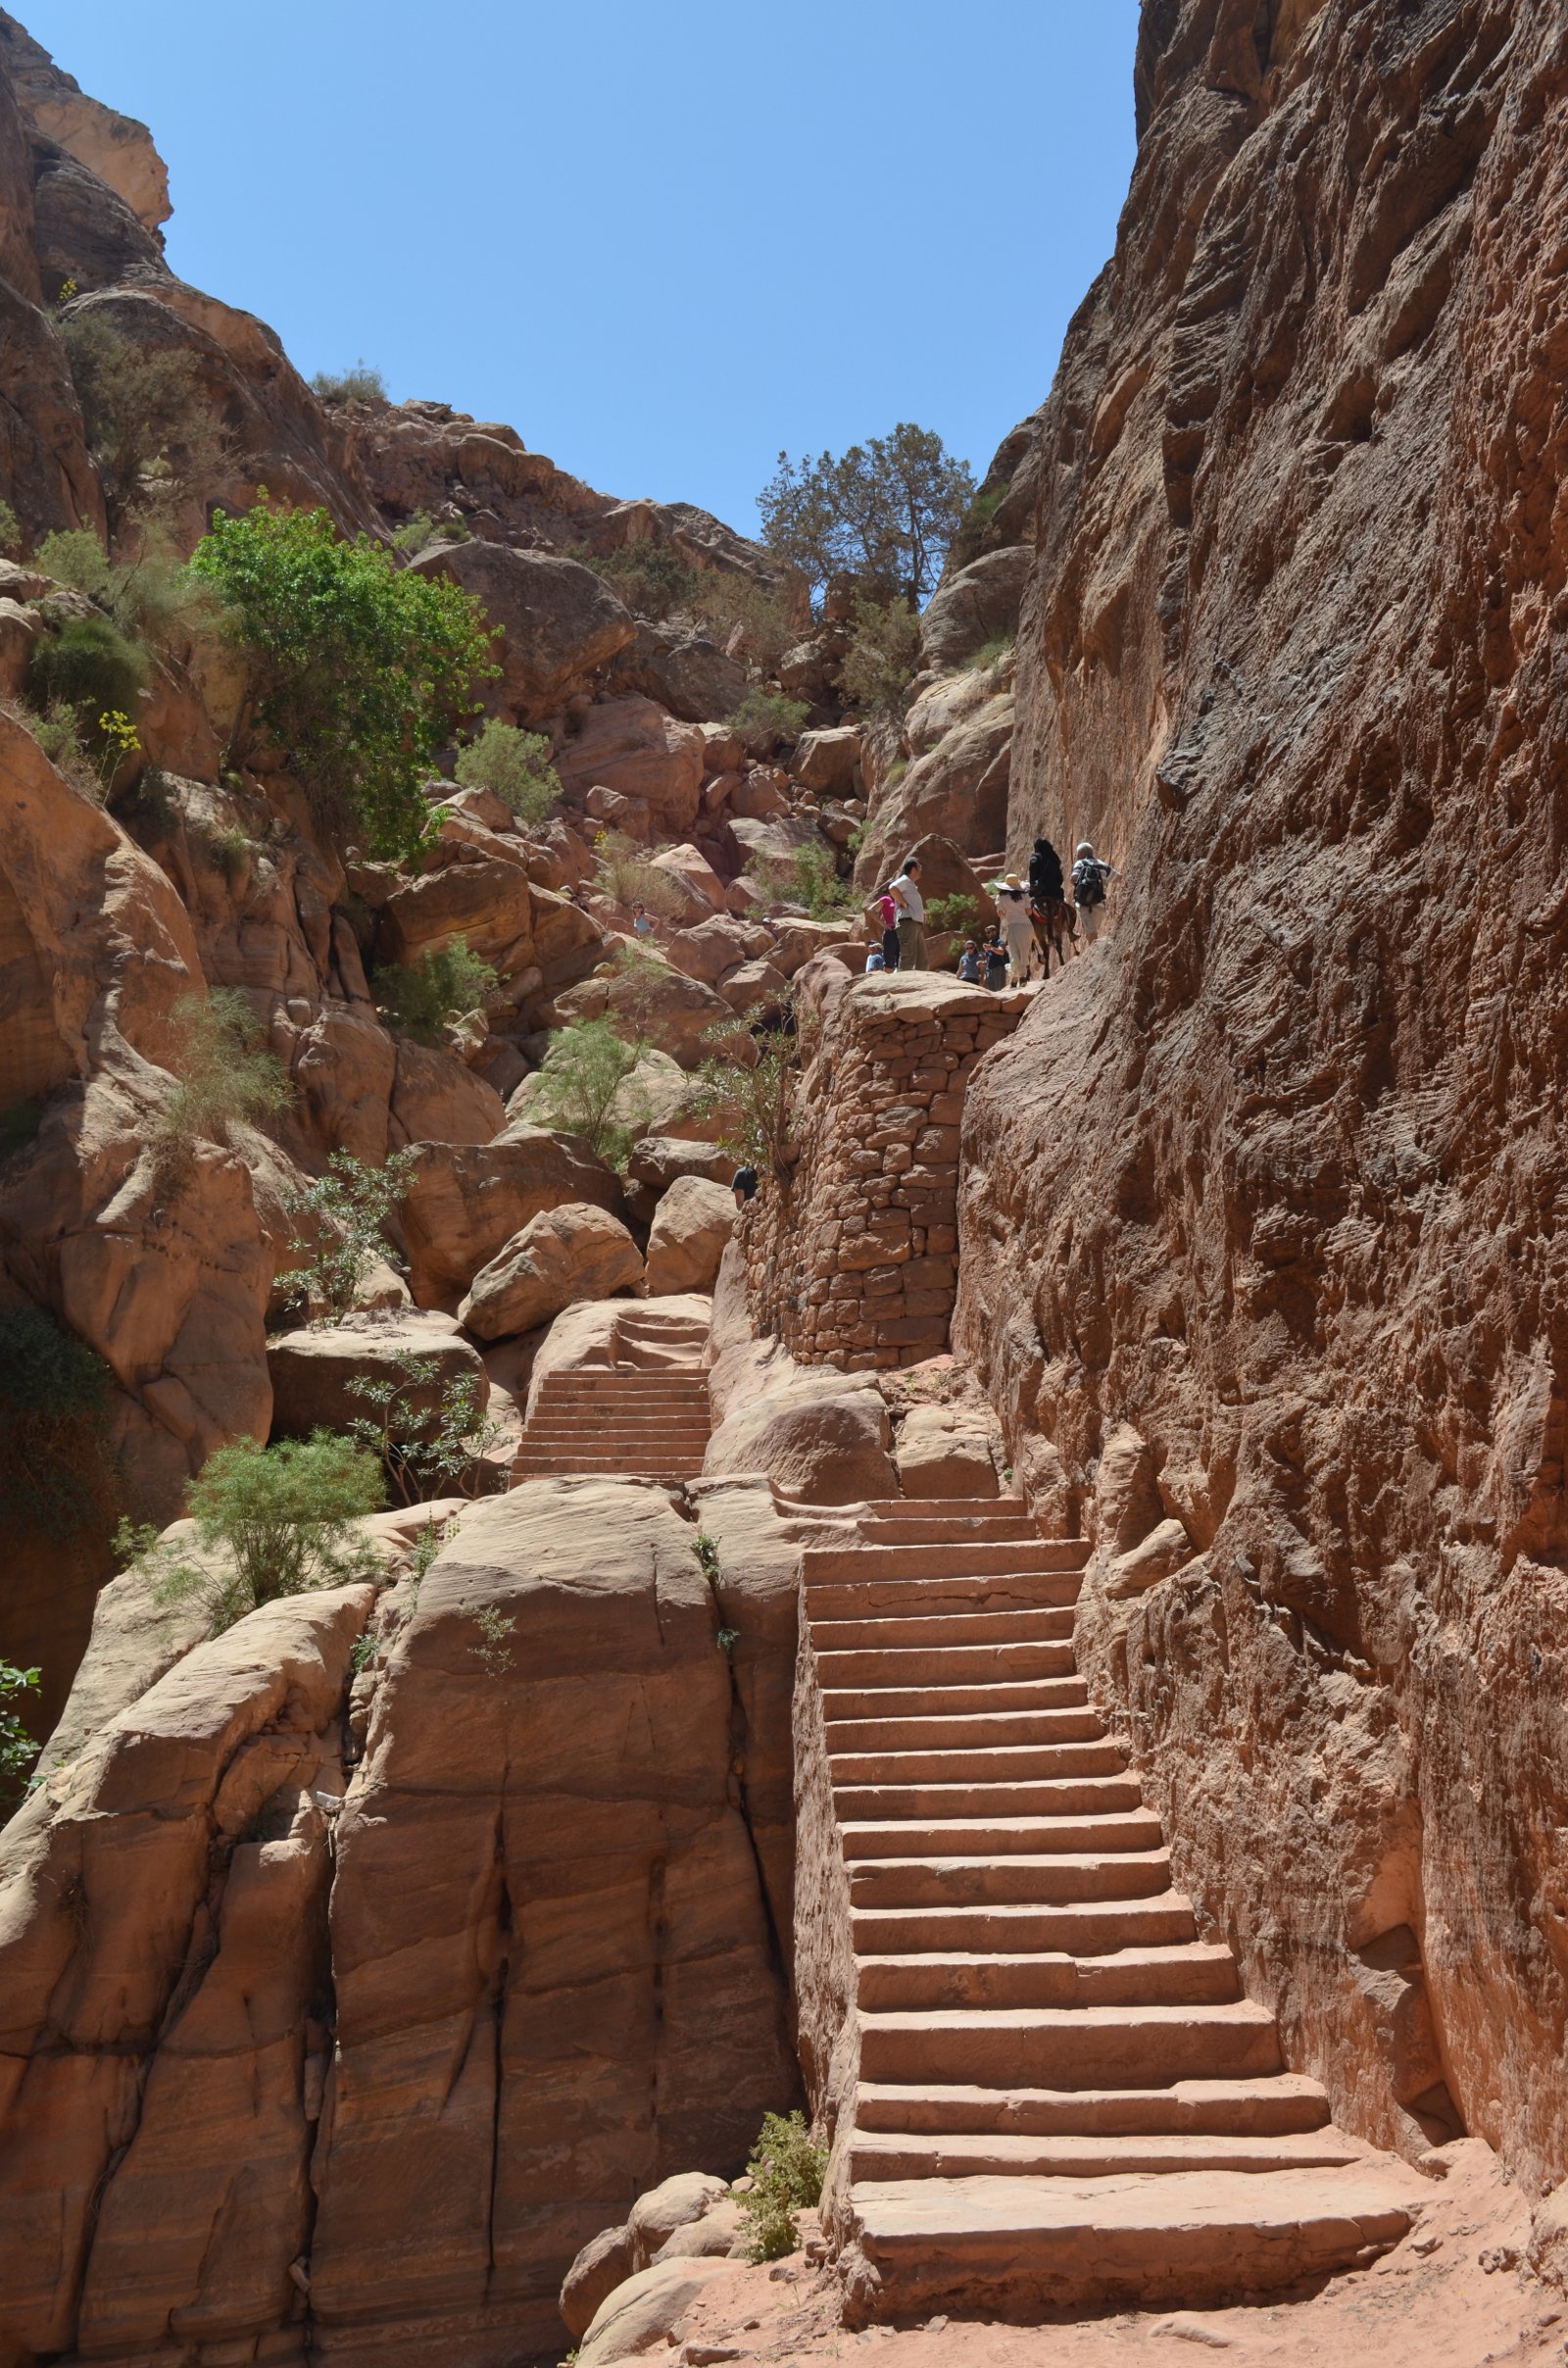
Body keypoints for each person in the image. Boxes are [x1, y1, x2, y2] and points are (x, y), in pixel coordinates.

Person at [1028, 834, 1076, 974]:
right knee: (1070, 910)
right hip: (1055, 894)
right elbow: (1060, 878)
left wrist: (1033, 887)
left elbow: (1032, 878)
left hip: (1040, 895)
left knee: (1029, 916)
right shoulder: (1054, 858)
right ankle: (1071, 931)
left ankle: (1031, 938)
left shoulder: (1034, 858)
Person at [990, 870, 1036, 985]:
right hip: (1026, 925)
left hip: (1013, 926)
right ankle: (1019, 977)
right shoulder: (1024, 895)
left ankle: (1018, 977)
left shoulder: (1001, 897)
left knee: (1014, 952)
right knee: (1025, 951)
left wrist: (1008, 914)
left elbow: (1000, 913)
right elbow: (1029, 912)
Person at [887, 858, 928, 971]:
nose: (921, 870)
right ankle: (903, 987)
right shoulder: (905, 880)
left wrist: (921, 913)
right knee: (908, 958)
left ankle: (922, 985)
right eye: (919, 867)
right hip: (908, 923)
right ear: (914, 868)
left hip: (916, 924)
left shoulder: (911, 885)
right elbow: (892, 888)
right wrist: (903, 903)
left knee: (923, 960)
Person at [1071, 840, 1118, 942]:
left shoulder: (1080, 863)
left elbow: (1074, 878)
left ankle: (1098, 956)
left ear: (1081, 853)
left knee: (1091, 934)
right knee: (1092, 933)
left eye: (1077, 854)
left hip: (1084, 904)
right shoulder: (1103, 865)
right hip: (1100, 905)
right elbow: (1117, 878)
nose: (1077, 856)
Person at [876, 888, 901, 971]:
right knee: (889, 960)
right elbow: (870, 910)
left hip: (901, 930)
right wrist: (883, 924)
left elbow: (883, 915)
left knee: (900, 958)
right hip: (890, 931)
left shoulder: (898, 900)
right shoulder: (886, 899)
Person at [983, 925, 1007, 991]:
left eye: (988, 932)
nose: (987, 934)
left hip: (998, 968)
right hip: (989, 969)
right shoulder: (990, 943)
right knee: (991, 991)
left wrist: (991, 948)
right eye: (986, 933)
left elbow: (1001, 952)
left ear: (994, 932)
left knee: (999, 989)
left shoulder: (999, 941)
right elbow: (988, 957)